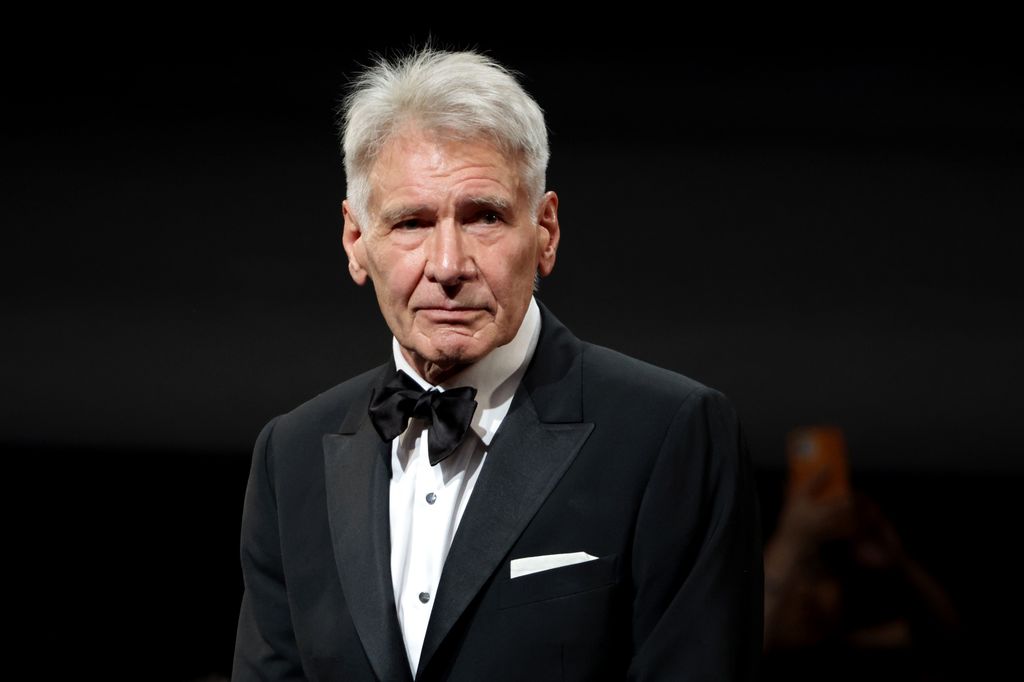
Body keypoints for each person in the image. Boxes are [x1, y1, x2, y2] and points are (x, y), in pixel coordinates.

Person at [232, 47, 763, 681]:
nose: (449, 265)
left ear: (545, 232)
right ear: (356, 241)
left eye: (484, 217)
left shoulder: (671, 434)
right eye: (411, 222)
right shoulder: (290, 456)